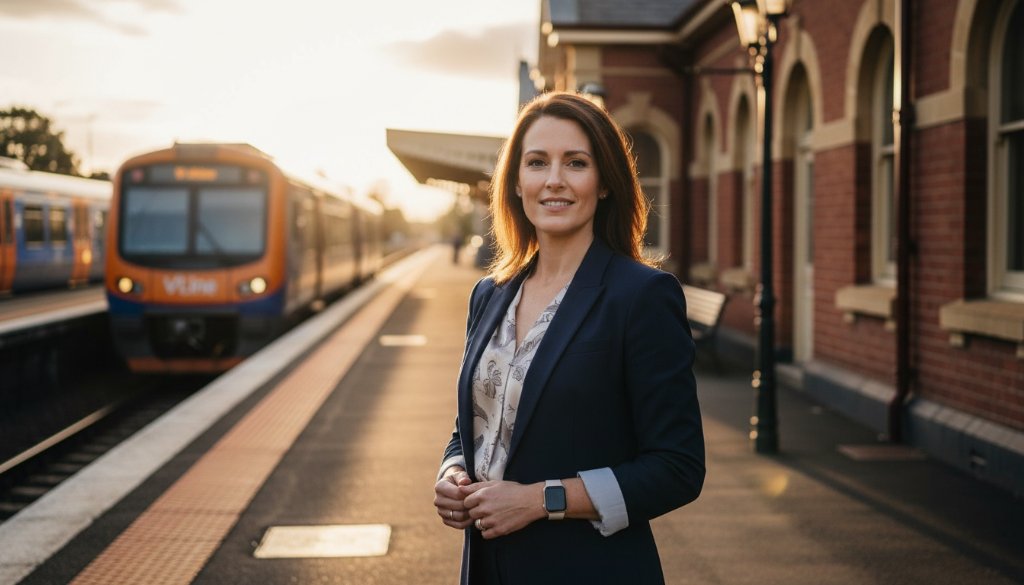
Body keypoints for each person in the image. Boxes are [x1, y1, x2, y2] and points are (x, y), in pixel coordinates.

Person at [433, 91, 705, 584]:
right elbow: (476, 423)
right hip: (487, 569)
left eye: (576, 163)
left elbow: (677, 468)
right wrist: (452, 473)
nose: (554, 180)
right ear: (516, 182)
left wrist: (541, 500)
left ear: (604, 183)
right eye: (537, 162)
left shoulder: (642, 296)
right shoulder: (489, 294)